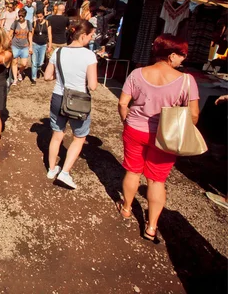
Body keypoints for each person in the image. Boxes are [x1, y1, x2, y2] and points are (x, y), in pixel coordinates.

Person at [117, 34, 199, 240]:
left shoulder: (137, 73)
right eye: (182, 55)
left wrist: (126, 121)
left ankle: (126, 208)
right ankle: (152, 226)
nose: (184, 59)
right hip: (166, 136)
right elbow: (194, 114)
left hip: (135, 129)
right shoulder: (186, 81)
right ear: (171, 56)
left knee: (133, 171)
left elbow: (122, 103)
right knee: (156, 180)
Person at [44, 20, 98, 189]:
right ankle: (65, 173)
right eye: (90, 36)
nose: (90, 39)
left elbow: (47, 76)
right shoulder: (89, 55)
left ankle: (52, 169)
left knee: (57, 134)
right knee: (79, 137)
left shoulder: (58, 52)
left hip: (58, 96)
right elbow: (93, 85)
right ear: (83, 36)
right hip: (78, 100)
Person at [10, 8, 32, 85]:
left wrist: (31, 46)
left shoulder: (29, 23)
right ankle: (15, 79)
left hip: (25, 46)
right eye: (19, 16)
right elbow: (10, 34)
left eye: (22, 16)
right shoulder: (15, 23)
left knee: (24, 63)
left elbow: (30, 36)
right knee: (14, 62)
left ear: (25, 16)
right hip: (15, 45)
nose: (20, 17)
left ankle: (20, 72)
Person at [29, 10, 52, 84]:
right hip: (35, 44)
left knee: (41, 62)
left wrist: (50, 45)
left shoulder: (47, 23)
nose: (39, 18)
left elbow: (49, 34)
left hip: (43, 45)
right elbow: (31, 34)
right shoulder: (34, 23)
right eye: (38, 17)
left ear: (43, 16)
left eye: (41, 17)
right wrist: (30, 46)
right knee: (34, 62)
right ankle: (33, 78)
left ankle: (38, 68)